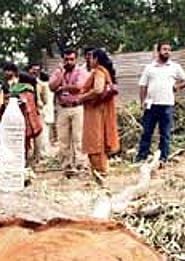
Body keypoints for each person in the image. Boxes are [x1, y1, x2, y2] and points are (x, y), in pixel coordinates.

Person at [136, 41, 185, 163]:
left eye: (169, 50)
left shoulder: (174, 67)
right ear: (158, 51)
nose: (167, 52)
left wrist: (178, 87)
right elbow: (143, 86)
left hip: (167, 105)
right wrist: (142, 102)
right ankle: (141, 157)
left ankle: (163, 158)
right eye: (164, 49)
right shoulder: (149, 68)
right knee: (146, 132)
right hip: (151, 105)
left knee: (165, 134)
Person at [79, 48, 119, 180]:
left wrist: (82, 97)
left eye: (91, 58)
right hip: (98, 110)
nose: (89, 61)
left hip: (95, 111)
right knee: (97, 140)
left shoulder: (99, 71)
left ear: (96, 59)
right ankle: (99, 171)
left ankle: (100, 172)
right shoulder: (104, 71)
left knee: (95, 141)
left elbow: (97, 89)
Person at [49, 48, 88, 177]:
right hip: (62, 108)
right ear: (63, 59)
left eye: (71, 59)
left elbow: (79, 87)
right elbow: (52, 87)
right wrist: (61, 74)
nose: (69, 62)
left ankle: (80, 165)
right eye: (66, 59)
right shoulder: (59, 71)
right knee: (63, 138)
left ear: (76, 59)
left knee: (78, 138)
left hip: (77, 107)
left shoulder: (81, 71)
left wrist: (64, 87)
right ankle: (67, 166)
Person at [28, 62, 48, 163]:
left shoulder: (42, 85)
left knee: (39, 134)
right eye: (33, 70)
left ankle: (38, 156)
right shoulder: (24, 84)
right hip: (26, 112)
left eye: (37, 70)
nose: (35, 72)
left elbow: (45, 100)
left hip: (38, 112)